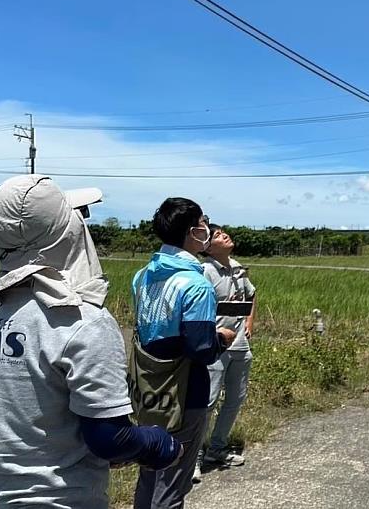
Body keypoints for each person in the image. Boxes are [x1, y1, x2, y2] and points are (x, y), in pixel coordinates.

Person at [0, 175, 181, 509]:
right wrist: (159, 444)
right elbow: (111, 440)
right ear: (63, 234)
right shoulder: (83, 322)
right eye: (78, 217)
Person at [132, 198, 236, 509]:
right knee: (174, 482)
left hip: (148, 389)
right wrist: (222, 338)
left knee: (150, 470)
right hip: (184, 391)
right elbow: (201, 349)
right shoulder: (196, 285)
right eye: (204, 223)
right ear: (193, 232)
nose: (208, 228)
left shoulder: (142, 276)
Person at [194, 224, 256, 482]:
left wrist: (250, 322)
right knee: (208, 402)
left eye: (223, 233)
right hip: (216, 345)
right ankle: (194, 456)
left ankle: (217, 448)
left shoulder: (237, 265)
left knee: (236, 398)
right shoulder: (205, 271)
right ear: (207, 247)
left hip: (240, 343)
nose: (224, 235)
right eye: (217, 235)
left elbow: (252, 294)